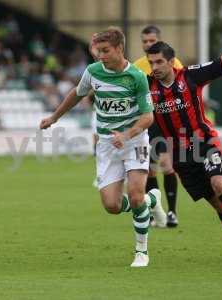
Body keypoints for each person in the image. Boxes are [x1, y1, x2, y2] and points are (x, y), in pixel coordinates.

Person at [40, 27, 167, 267]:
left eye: (105, 51)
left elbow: (148, 117)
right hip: (108, 144)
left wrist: (128, 134)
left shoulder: (137, 77)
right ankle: (153, 200)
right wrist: (54, 117)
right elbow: (77, 94)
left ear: (120, 48)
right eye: (98, 51)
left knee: (136, 195)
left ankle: (141, 251)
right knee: (112, 205)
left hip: (135, 141)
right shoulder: (93, 72)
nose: (100, 55)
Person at [145, 14, 222, 259]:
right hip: (179, 154)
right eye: (151, 62)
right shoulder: (147, 86)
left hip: (205, 142)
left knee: (219, 183)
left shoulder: (189, 76)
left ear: (171, 62)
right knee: (217, 203)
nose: (154, 67)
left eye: (158, 62)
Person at [134, 25, 183, 227]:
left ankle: (172, 212)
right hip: (148, 123)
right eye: (145, 41)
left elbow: (182, 89)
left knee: (166, 165)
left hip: (167, 121)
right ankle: (156, 212)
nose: (148, 44)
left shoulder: (174, 63)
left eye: (152, 41)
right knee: (150, 170)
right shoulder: (137, 65)